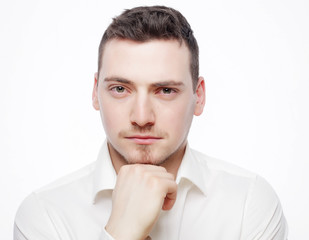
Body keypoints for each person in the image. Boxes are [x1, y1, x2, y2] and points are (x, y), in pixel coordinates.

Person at [14, 5, 288, 240]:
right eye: (120, 89)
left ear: (199, 96)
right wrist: (120, 231)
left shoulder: (248, 203)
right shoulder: (44, 215)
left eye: (166, 90)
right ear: (95, 92)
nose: (142, 118)